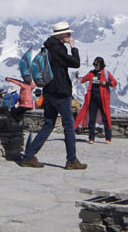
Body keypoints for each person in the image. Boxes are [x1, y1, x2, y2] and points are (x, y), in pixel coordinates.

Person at [22, 23, 86, 170]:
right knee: (69, 125)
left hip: (48, 91)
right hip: (61, 91)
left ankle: (29, 156)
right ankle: (71, 160)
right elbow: (75, 63)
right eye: (68, 34)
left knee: (48, 124)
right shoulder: (59, 48)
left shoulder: (47, 47)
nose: (70, 36)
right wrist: (73, 47)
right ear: (61, 35)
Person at [76, 58, 116, 143]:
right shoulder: (91, 73)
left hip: (103, 99)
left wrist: (106, 83)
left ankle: (108, 138)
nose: (95, 66)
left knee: (106, 118)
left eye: (96, 64)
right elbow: (84, 79)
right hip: (92, 99)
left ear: (101, 65)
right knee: (92, 119)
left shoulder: (106, 73)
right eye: (94, 64)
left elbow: (114, 83)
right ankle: (91, 138)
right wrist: (78, 78)